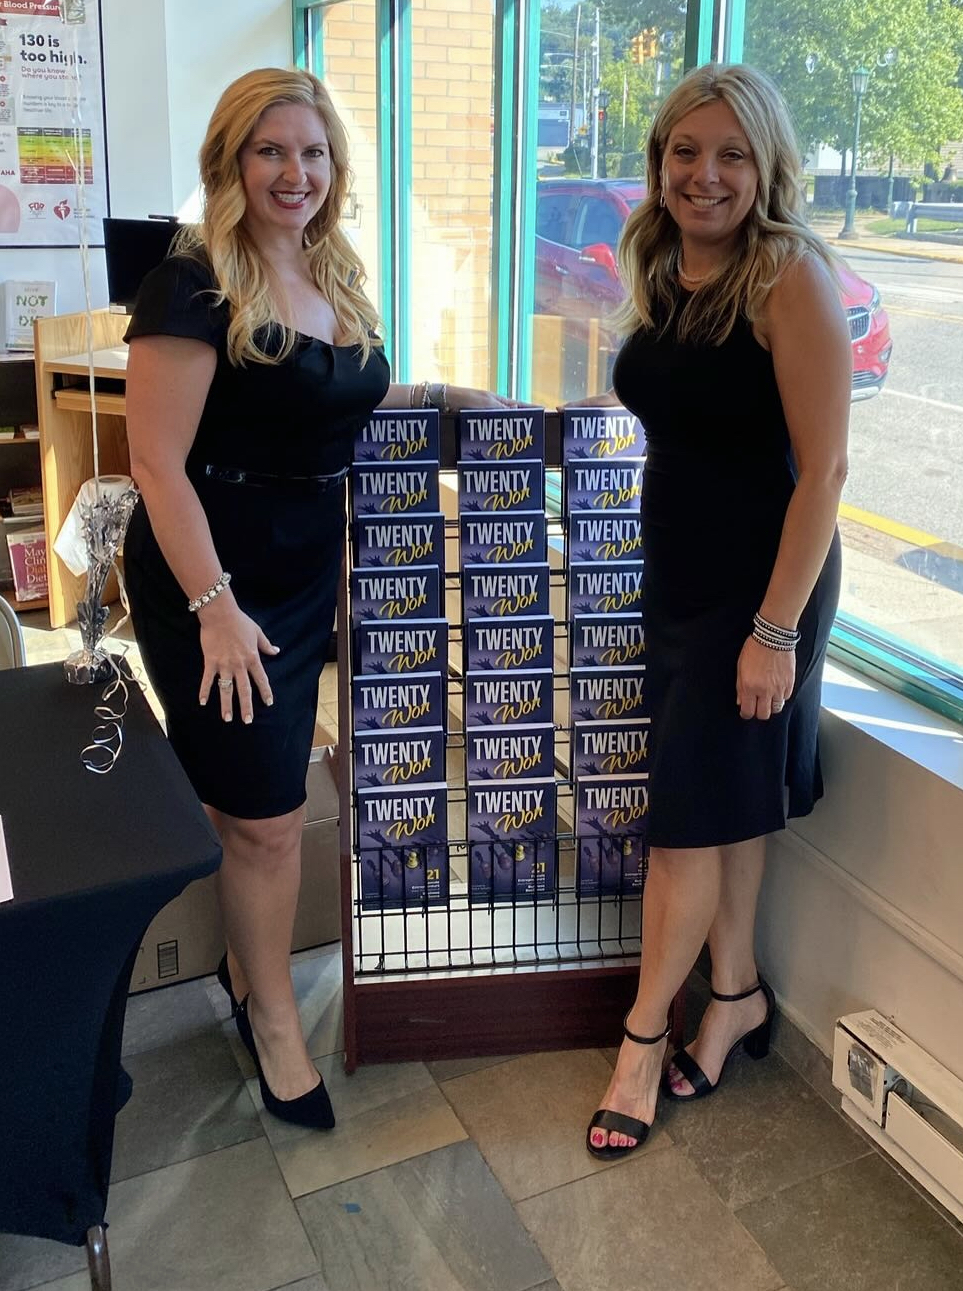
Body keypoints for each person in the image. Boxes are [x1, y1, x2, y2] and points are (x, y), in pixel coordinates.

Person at [123, 67, 514, 1130]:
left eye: (314, 152)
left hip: (307, 566)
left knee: (264, 806)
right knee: (267, 815)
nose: (295, 173)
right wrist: (212, 603)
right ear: (231, 161)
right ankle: (272, 1017)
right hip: (212, 575)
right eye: (271, 151)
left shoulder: (329, 267)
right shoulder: (193, 281)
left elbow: (342, 394)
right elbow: (155, 463)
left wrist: (443, 395)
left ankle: (250, 977)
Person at [581, 63, 851, 1158]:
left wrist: (776, 630)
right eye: (686, 152)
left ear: (768, 167)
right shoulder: (670, 265)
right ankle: (734, 995)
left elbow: (826, 471)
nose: (706, 174)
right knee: (726, 802)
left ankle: (641, 1043)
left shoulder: (789, 274)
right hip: (677, 579)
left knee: (687, 819)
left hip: (760, 591)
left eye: (732, 154)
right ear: (660, 164)